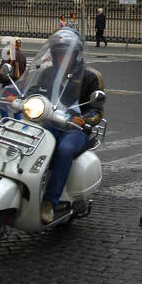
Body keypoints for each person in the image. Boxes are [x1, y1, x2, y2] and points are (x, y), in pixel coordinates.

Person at [32, 28, 104, 223]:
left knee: (64, 149)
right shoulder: (47, 73)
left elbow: (97, 112)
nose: (63, 58)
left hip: (76, 129)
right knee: (33, 142)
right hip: (50, 123)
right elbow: (34, 92)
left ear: (76, 54)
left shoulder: (91, 76)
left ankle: (49, 202)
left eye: (67, 54)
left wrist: (84, 119)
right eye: (59, 53)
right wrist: (20, 99)